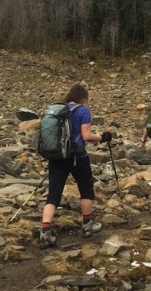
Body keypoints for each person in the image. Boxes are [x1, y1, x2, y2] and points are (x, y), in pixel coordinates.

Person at [38, 84, 112, 248]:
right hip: (78, 157)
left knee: (54, 194)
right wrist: (102, 137)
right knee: (86, 189)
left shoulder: (57, 110)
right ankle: (87, 225)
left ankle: (45, 232)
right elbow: (86, 136)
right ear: (83, 98)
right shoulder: (83, 111)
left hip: (56, 156)